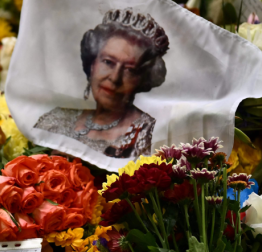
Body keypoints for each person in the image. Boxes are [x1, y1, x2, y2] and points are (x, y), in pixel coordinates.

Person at [35, 8, 169, 159]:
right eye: (108, 62)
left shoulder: (149, 134)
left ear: (142, 80)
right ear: (92, 64)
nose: (115, 78)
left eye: (130, 70)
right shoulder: (56, 119)